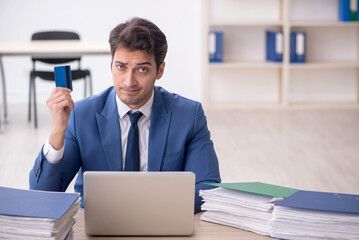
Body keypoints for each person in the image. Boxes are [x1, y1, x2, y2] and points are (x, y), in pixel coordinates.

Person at [29, 17, 220, 213]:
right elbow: (43, 195)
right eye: (121, 67)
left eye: (142, 69)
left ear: (160, 70)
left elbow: (207, 190)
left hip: (163, 224)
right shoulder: (81, 116)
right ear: (111, 64)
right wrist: (58, 132)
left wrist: (147, 210)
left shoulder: (188, 116)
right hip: (100, 226)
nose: (129, 81)